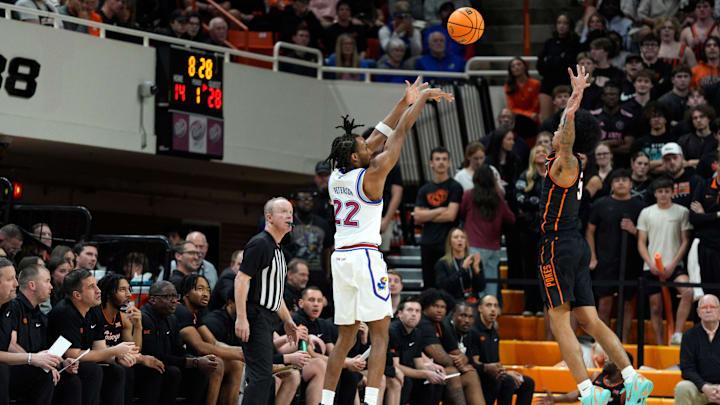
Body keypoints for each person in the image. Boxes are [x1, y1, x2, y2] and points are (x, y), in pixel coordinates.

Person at [321, 79, 453, 405]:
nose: (371, 148)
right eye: (364, 149)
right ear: (355, 158)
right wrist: (420, 100)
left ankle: (325, 401)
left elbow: (378, 134)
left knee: (345, 337)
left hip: (340, 259)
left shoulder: (337, 175)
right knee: (381, 336)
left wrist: (402, 100)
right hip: (365, 258)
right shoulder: (374, 174)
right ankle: (370, 402)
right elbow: (399, 133)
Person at [538, 63, 652, 405]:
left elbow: (568, 136)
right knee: (589, 318)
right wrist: (574, 99)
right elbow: (567, 137)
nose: (556, 130)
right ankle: (632, 377)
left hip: (557, 246)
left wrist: (573, 105)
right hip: (572, 245)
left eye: (561, 127)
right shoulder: (566, 162)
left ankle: (588, 393)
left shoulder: (567, 162)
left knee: (559, 320)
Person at [234, 197, 299, 405]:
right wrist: (242, 317)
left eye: (290, 212)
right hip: (255, 315)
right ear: (269, 217)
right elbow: (241, 279)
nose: (289, 216)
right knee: (261, 377)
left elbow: (275, 294)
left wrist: (288, 320)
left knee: (266, 378)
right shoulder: (260, 243)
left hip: (268, 318)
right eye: (283, 212)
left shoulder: (279, 249)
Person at [48, 269, 138, 405]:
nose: (98, 290)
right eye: (91, 287)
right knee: (92, 370)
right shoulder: (65, 312)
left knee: (117, 370)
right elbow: (72, 353)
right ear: (77, 295)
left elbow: (100, 349)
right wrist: (115, 351)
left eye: (96, 285)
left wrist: (117, 358)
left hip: (80, 363)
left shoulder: (94, 310)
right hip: (61, 364)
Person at [586, 169, 646, 341]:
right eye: (617, 180)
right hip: (605, 261)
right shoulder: (601, 204)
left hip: (631, 261)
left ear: (631, 184)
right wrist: (592, 256)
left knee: (627, 304)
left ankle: (623, 341)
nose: (620, 183)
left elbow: (646, 234)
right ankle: (603, 343)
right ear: (611, 185)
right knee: (604, 303)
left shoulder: (640, 206)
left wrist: (633, 231)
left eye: (624, 180)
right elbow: (590, 231)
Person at [138, 281, 217, 405]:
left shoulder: (172, 318)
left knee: (202, 371)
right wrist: (194, 362)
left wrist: (196, 359)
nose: (174, 300)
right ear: (153, 300)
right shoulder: (144, 317)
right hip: (145, 366)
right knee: (172, 372)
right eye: (168, 297)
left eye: (175, 296)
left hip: (168, 364)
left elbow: (178, 350)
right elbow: (154, 354)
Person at [637, 175, 694, 345]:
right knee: (655, 307)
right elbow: (641, 242)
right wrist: (650, 264)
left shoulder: (681, 212)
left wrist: (673, 263)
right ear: (655, 193)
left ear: (672, 192)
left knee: (688, 291)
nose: (663, 195)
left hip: (674, 264)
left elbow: (685, 240)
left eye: (666, 191)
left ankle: (677, 334)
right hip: (652, 267)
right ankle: (660, 344)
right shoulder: (646, 212)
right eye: (660, 191)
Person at [0, 260, 65, 405]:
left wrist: (54, 361)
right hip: (9, 368)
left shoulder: (8, 309)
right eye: (10, 279)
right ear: (32, 285)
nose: (16, 284)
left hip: (16, 366)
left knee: (65, 376)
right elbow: (11, 345)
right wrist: (32, 359)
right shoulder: (14, 307)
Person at [416, 288, 485, 405]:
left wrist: (459, 359)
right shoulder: (423, 323)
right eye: (435, 306)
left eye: (443, 307)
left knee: (471, 374)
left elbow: (459, 354)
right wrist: (459, 363)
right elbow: (442, 358)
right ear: (425, 306)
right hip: (417, 369)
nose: (440, 310)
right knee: (452, 371)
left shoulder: (441, 324)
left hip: (438, 370)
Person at [467, 296, 535, 405]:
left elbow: (497, 362)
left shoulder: (494, 333)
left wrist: (508, 372)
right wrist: (505, 374)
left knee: (527, 382)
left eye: (495, 306)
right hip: (480, 375)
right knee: (507, 381)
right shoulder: (473, 331)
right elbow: (476, 363)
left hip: (494, 373)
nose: (493, 309)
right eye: (488, 305)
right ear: (480, 308)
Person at [460, 166, 515, 299]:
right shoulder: (498, 198)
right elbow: (511, 219)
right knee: (491, 287)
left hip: (473, 247)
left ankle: (477, 318)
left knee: (475, 287)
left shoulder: (469, 194)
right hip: (493, 247)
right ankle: (491, 318)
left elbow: (461, 214)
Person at [414, 146, 464, 290]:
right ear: (431, 163)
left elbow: (450, 215)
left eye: (444, 159)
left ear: (449, 163)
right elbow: (417, 216)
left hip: (448, 244)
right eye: (437, 159)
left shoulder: (455, 187)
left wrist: (428, 214)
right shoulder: (424, 189)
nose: (441, 162)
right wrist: (441, 209)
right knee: (429, 285)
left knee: (447, 285)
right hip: (427, 243)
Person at [387, 297, 446, 405]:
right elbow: (396, 366)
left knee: (435, 383)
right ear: (399, 314)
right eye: (410, 310)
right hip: (390, 370)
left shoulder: (417, 333)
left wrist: (433, 372)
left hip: (406, 371)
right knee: (407, 382)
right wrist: (426, 374)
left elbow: (419, 363)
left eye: (417, 311)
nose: (414, 314)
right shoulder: (392, 331)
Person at [515, 144, 550, 316]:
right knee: (529, 268)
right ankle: (530, 305)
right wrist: (538, 204)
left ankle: (543, 304)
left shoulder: (553, 176)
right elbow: (520, 200)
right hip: (528, 230)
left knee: (544, 268)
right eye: (538, 151)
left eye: (544, 151)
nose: (541, 154)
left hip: (548, 231)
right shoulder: (525, 176)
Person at [536, 353, 636, 405]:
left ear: (619, 366)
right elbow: (579, 394)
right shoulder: (595, 376)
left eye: (610, 359)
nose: (605, 360)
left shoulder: (627, 389)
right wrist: (556, 399)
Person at [674, 294, 720, 405]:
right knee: (682, 388)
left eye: (712, 307)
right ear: (698, 312)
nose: (708, 310)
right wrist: (704, 387)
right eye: (704, 308)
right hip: (700, 388)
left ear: (719, 311)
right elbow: (687, 369)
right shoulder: (689, 335)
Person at [537, 12, 580, 121]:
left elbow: (570, 66)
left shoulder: (574, 43)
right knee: (545, 119)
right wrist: (559, 60)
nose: (561, 26)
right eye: (559, 22)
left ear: (570, 26)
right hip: (547, 83)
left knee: (563, 120)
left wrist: (551, 61)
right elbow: (540, 65)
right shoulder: (549, 43)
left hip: (564, 83)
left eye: (565, 23)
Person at [689, 160, 720, 297]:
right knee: (705, 293)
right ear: (716, 165)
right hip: (705, 247)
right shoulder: (704, 184)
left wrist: (705, 215)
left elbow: (701, 218)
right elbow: (693, 218)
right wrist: (717, 215)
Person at [434, 227, 484, 302]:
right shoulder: (442, 263)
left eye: (462, 237)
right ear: (450, 242)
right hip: (452, 302)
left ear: (466, 242)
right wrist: (462, 269)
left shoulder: (474, 261)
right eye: (456, 237)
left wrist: (477, 271)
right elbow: (443, 287)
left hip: (472, 302)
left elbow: (481, 287)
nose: (459, 239)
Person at [632, 103, 677, 174]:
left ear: (665, 119)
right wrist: (664, 162)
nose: (656, 119)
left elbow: (678, 164)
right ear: (649, 120)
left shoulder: (674, 141)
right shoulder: (639, 142)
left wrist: (649, 165)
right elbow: (635, 165)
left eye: (659, 116)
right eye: (653, 117)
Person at [506, 57, 541, 123]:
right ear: (511, 70)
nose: (516, 67)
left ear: (525, 66)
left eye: (519, 64)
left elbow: (536, 104)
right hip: (517, 117)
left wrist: (531, 115)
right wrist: (528, 114)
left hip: (534, 117)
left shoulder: (535, 83)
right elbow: (511, 107)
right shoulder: (508, 86)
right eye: (513, 66)